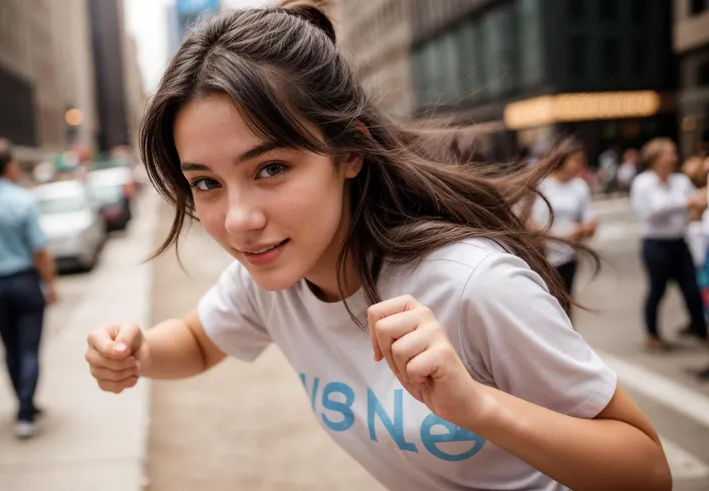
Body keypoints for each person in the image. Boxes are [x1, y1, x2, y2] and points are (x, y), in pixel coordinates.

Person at [85, 3, 671, 490]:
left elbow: (646, 469)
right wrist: (136, 355)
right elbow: (197, 340)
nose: (239, 221)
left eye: (271, 168)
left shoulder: (471, 286)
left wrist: (478, 408)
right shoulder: (271, 277)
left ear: (350, 152)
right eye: (206, 183)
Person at [0, 139, 58, 438]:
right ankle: (25, 411)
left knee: (9, 348)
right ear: (9, 165)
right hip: (24, 282)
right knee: (29, 348)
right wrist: (49, 284)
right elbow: (39, 250)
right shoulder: (22, 200)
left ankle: (25, 404)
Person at [631, 138, 709, 353]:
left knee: (692, 289)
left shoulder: (680, 181)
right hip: (656, 244)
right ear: (656, 157)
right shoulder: (643, 182)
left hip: (679, 241)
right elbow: (654, 209)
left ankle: (701, 329)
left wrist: (696, 202)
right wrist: (688, 203)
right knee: (657, 290)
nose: (674, 157)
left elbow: (698, 200)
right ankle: (652, 334)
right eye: (670, 153)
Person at [530, 141, 597, 318]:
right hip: (544, 256)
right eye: (575, 160)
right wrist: (569, 232)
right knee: (546, 306)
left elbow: (590, 223)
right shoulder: (541, 185)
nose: (580, 165)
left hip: (568, 255)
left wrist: (583, 230)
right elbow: (534, 227)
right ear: (561, 161)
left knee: (565, 305)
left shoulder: (580, 186)